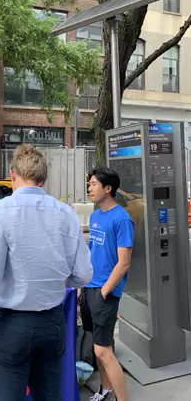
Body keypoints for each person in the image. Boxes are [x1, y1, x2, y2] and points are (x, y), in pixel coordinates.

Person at [0, 144, 93, 401]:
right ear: (44, 179)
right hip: (52, 323)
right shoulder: (66, 213)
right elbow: (83, 274)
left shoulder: (0, 210)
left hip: (11, 326)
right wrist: (58, 280)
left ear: (12, 174)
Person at [80, 167, 134, 401]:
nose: (89, 188)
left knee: (104, 350)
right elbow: (93, 251)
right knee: (98, 348)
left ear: (108, 188)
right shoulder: (95, 215)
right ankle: (105, 390)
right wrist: (83, 284)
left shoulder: (122, 218)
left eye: (93, 184)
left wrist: (103, 291)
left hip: (105, 292)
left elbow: (123, 263)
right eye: (89, 183)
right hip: (90, 287)